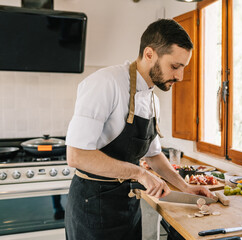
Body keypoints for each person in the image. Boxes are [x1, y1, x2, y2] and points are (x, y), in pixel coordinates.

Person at [65, 19, 214, 240]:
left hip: (128, 206)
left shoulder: (153, 99)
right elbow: (76, 156)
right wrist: (139, 173)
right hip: (93, 207)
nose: (180, 77)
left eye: (183, 68)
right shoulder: (106, 83)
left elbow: (153, 155)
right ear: (149, 54)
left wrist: (185, 187)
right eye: (175, 66)